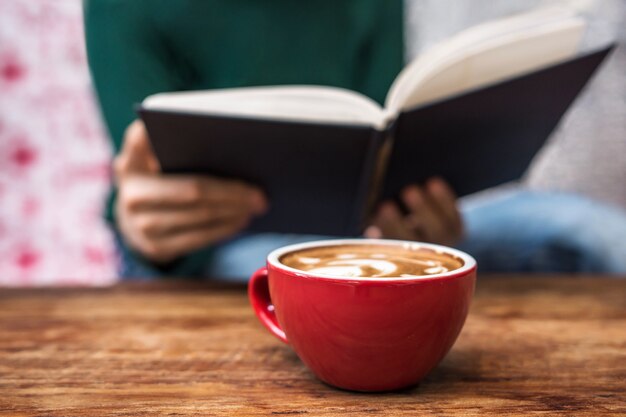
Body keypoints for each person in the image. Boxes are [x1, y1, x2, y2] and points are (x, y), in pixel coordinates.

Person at [84, 0, 626, 279]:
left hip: (363, 229)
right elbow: (142, 166)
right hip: (217, 244)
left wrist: (409, 217)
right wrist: (147, 232)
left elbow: (381, 129)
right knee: (282, 268)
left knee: (590, 227)